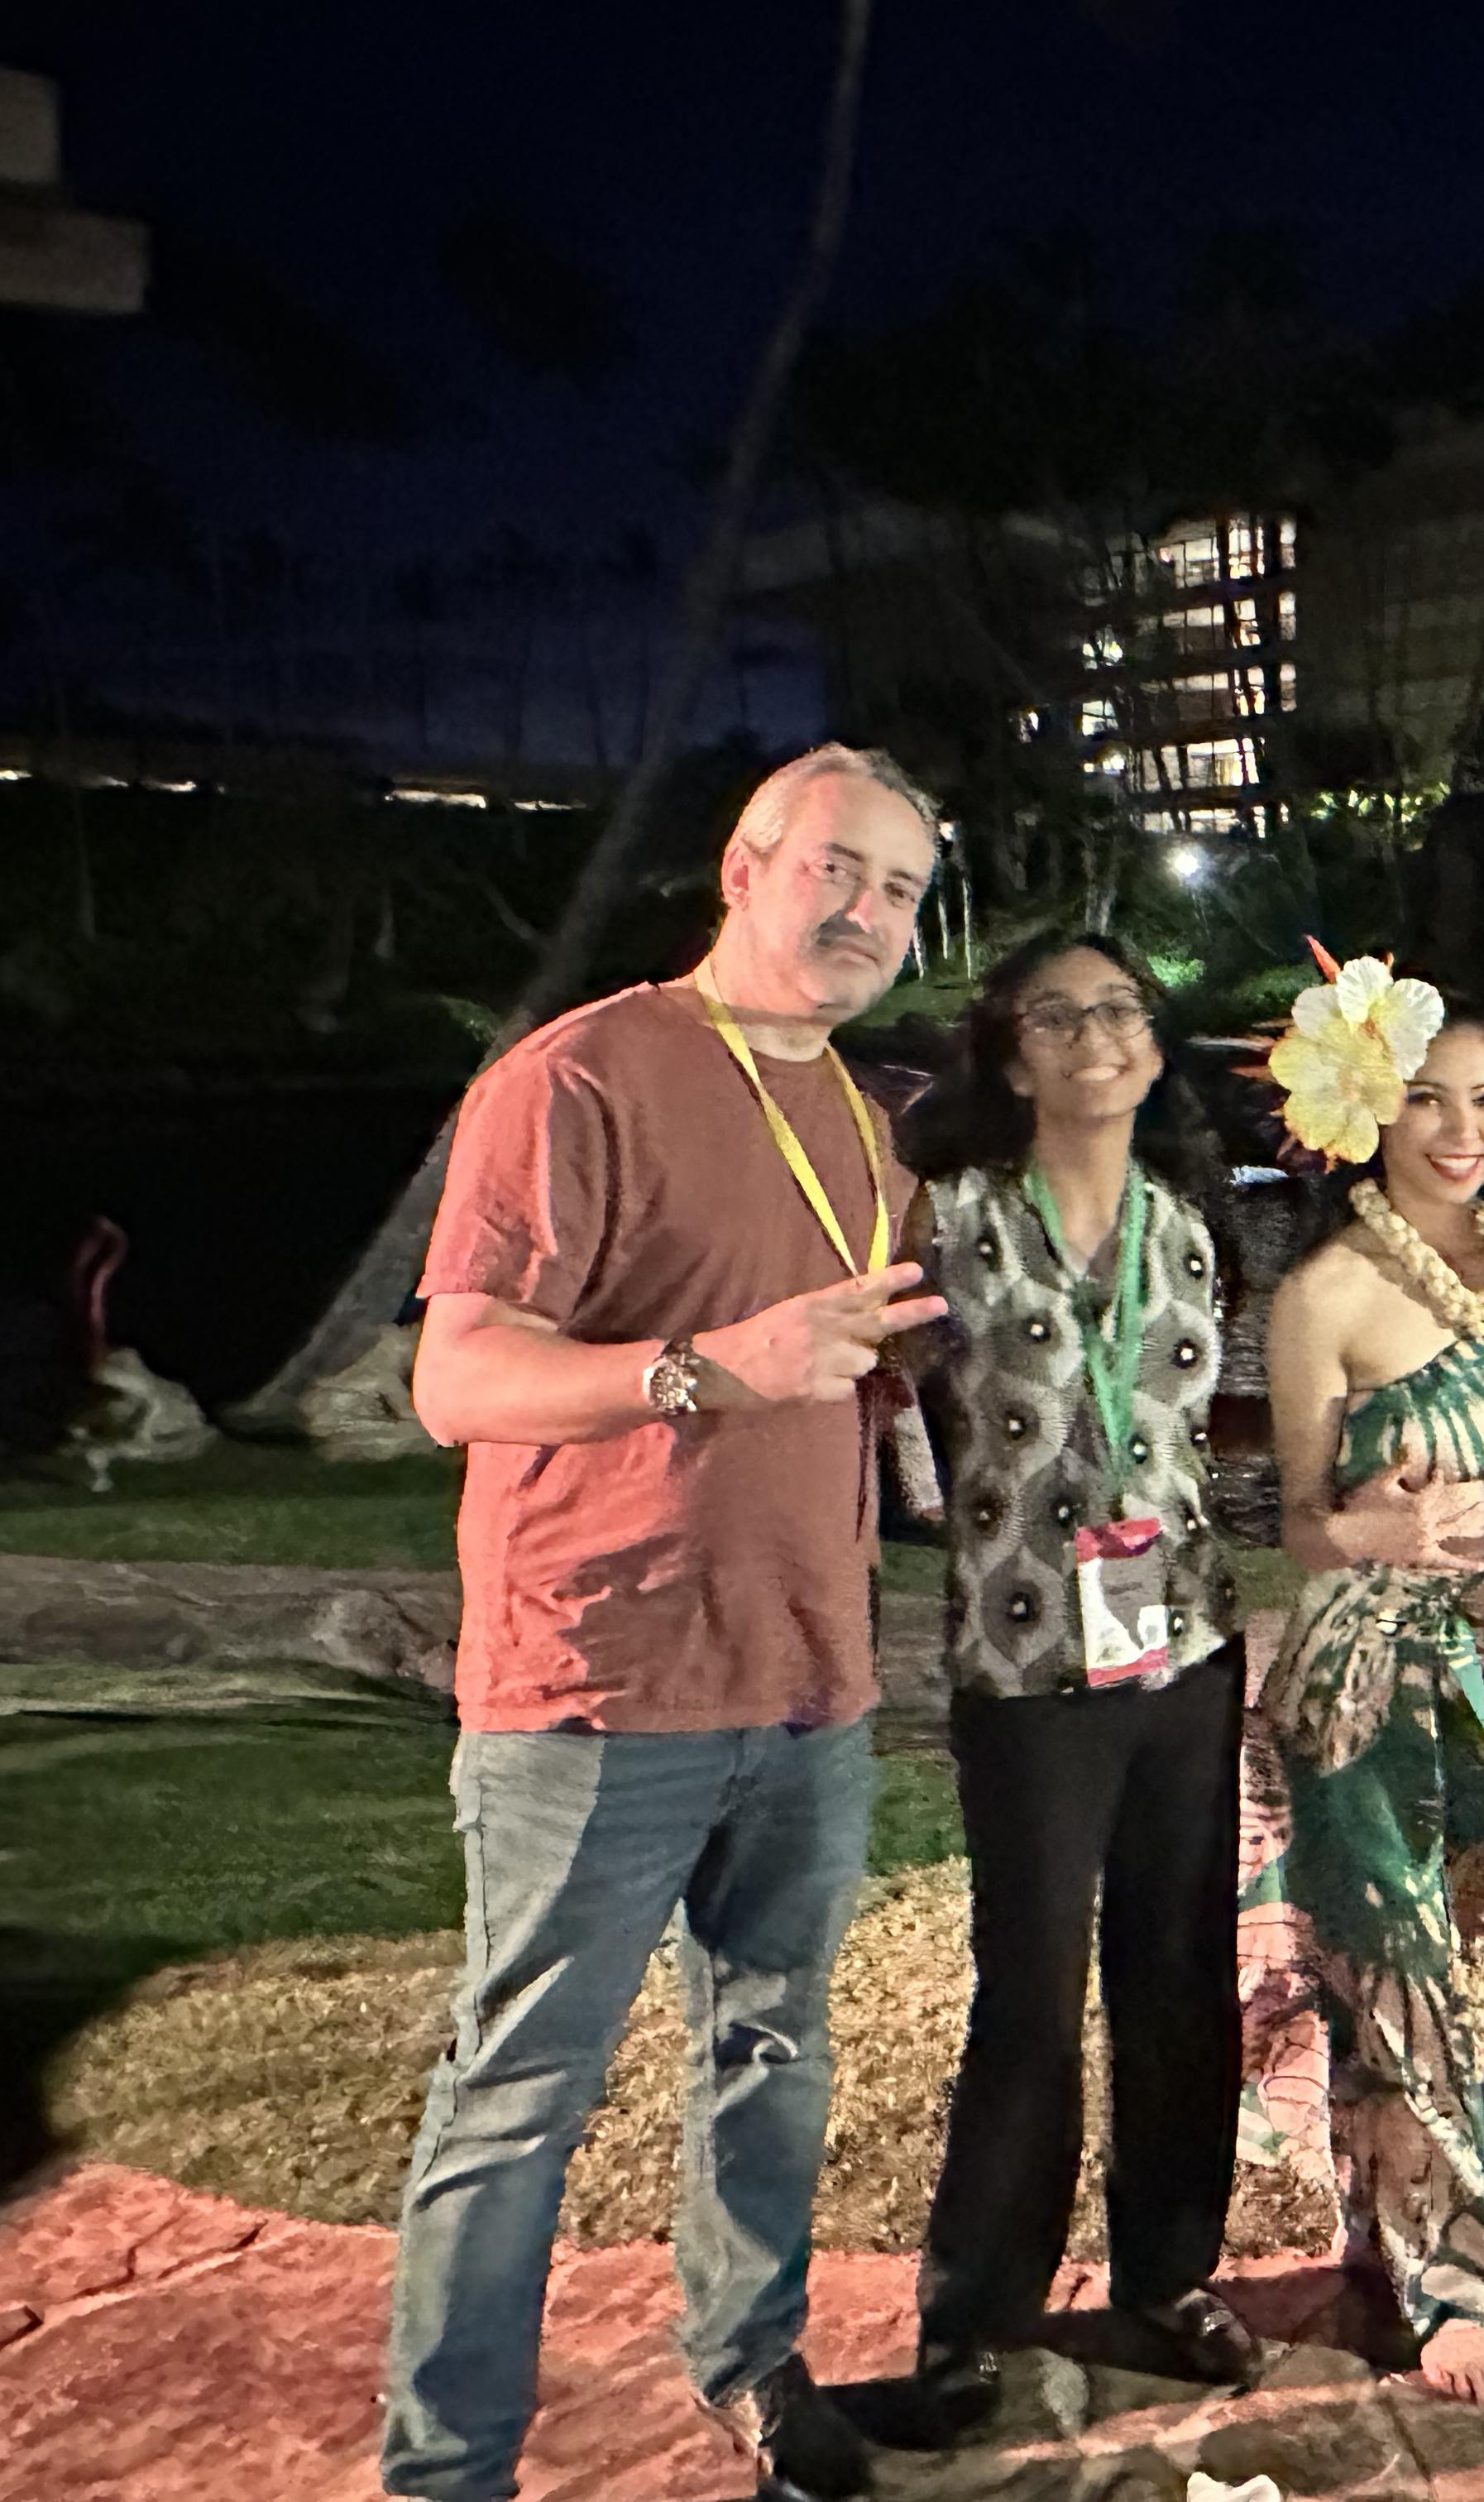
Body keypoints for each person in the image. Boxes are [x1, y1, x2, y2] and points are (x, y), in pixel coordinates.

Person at [385, 744, 945, 2502]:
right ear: (744, 866)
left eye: (902, 890)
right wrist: (708, 1369)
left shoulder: (867, 1122)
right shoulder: (580, 1076)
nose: (866, 912)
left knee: (773, 2054)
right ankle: (450, 2470)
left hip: (809, 1678)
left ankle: (752, 2369)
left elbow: (861, 1377)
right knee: (521, 2096)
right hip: (600, 1685)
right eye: (837, 868)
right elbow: (457, 1378)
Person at [888, 930, 1261, 2430]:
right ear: (1012, 1053)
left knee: (1180, 1971)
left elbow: (1205, 1429)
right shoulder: (953, 1219)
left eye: (1121, 1011)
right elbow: (874, 1388)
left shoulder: (1191, 1224)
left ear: (1156, 1047)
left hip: (1185, 1646)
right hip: (1025, 1658)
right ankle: (976, 2311)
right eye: (1058, 1015)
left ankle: (1169, 2275)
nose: (1096, 1035)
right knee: (1031, 1993)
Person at [1260, 961, 1484, 2406]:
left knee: (1452, 1966)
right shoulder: (1326, 1293)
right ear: (1367, 1109)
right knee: (1407, 1972)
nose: (1463, 1130)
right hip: (1377, 1664)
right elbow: (1298, 1522)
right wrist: (1368, 1531)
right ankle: (1455, 2289)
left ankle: (1387, 2223)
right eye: (1429, 1099)